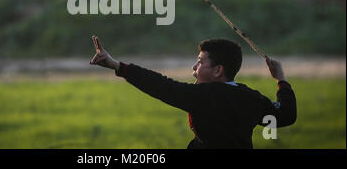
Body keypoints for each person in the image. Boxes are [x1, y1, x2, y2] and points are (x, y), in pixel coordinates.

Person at [89, 35, 297, 149]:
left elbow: (159, 85)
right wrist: (281, 79)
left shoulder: (202, 97)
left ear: (218, 70)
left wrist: (117, 65)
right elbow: (286, 115)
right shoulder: (251, 98)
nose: (193, 69)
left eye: (199, 63)